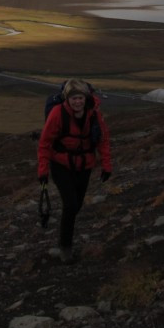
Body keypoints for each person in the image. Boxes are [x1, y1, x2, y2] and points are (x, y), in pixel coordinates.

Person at [37, 78, 113, 262]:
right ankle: (65, 248)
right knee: (70, 205)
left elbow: (102, 139)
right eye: (73, 99)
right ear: (67, 99)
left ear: (85, 98)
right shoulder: (57, 114)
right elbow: (45, 143)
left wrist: (107, 165)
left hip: (85, 166)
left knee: (75, 206)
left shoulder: (93, 114)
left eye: (80, 98)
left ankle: (64, 240)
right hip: (61, 165)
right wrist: (43, 171)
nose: (77, 102)